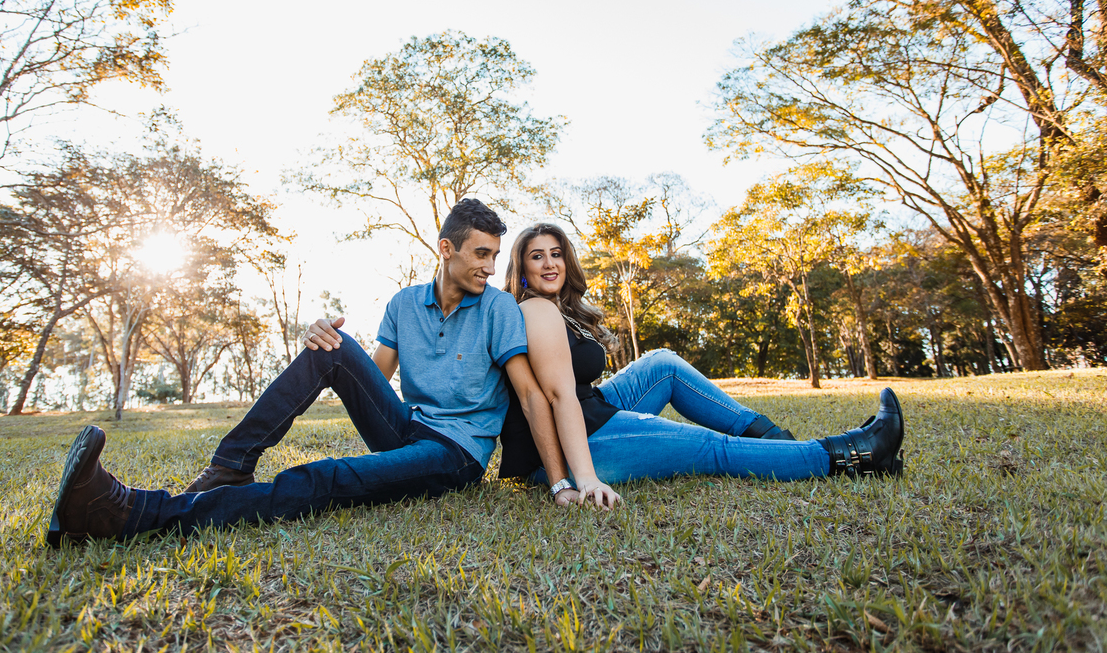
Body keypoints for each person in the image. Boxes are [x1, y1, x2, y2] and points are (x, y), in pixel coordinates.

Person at [46, 199, 583, 546]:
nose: (490, 267)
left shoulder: (498, 309)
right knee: (332, 346)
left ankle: (130, 514)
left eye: (495, 256)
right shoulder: (404, 303)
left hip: (455, 453)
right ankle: (231, 465)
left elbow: (531, 397)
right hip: (407, 427)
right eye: (481, 254)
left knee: (327, 477)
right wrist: (325, 343)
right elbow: (372, 381)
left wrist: (560, 482)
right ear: (447, 249)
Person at [497, 222, 904, 507]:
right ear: (523, 269)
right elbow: (558, 396)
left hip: (592, 411)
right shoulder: (535, 309)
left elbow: (574, 391)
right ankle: (848, 454)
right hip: (572, 446)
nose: (550, 263)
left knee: (662, 364)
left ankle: (775, 442)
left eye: (556, 254)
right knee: (709, 448)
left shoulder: (559, 310)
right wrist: (581, 479)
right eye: (537, 256)